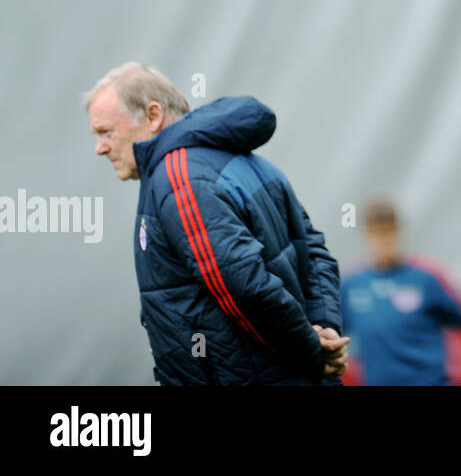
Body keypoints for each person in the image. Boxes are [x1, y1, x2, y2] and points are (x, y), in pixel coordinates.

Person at [85, 62, 349, 385]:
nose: (100, 148)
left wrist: (311, 354)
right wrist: (326, 327)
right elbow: (314, 251)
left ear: (153, 116)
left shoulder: (177, 178)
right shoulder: (250, 162)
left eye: (106, 132)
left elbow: (246, 287)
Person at [340, 199, 461, 385]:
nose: (383, 241)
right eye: (377, 234)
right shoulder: (351, 286)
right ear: (366, 235)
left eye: (388, 232)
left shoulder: (426, 279)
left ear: (399, 231)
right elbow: (331, 333)